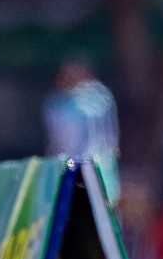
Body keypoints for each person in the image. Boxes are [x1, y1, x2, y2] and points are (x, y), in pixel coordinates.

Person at [44, 58, 120, 204]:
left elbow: (68, 142)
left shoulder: (92, 99)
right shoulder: (58, 102)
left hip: (91, 169)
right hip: (85, 169)